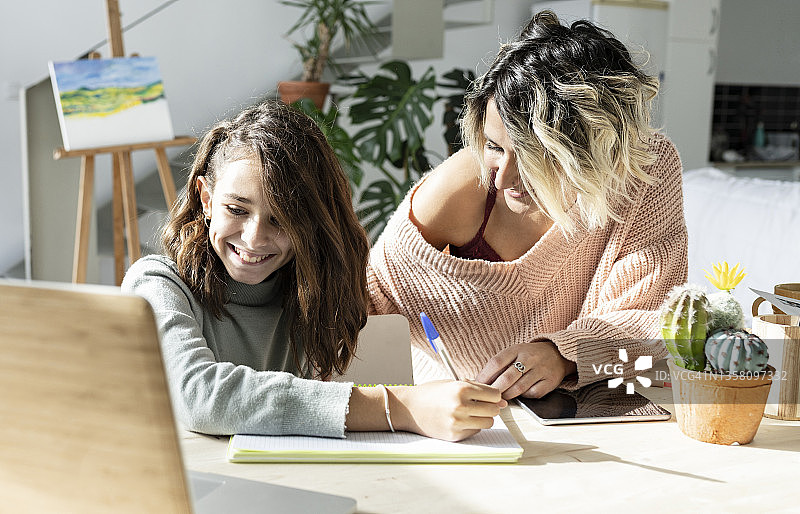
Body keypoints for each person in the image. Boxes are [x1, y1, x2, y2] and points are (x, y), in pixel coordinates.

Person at [122, 100, 506, 441]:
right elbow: (202, 397)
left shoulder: (308, 288)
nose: (254, 238)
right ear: (207, 199)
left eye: (280, 219)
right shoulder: (156, 285)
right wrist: (400, 407)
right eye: (236, 210)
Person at [367, 11, 688, 400]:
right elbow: (369, 298)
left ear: (594, 149)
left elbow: (655, 323)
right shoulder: (462, 188)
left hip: (579, 409)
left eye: (534, 158)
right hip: (457, 409)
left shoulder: (644, 170)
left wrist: (563, 354)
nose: (501, 179)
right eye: (494, 147)